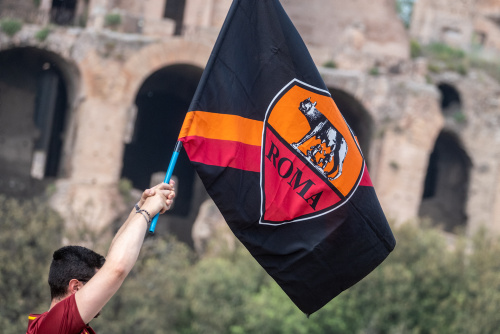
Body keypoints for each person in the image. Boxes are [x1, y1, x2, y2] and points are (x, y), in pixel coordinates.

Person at [26, 181, 176, 334]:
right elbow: (116, 269)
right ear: (75, 287)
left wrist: (139, 207)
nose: (102, 286)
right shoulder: (52, 328)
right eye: (96, 282)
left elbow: (112, 263)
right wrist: (147, 211)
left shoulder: (66, 327)